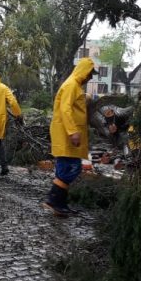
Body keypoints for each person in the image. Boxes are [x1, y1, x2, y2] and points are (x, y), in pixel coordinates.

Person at [42, 57, 97, 217]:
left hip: (66, 134)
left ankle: (60, 204)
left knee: (65, 168)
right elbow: (65, 109)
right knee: (72, 168)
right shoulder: (71, 85)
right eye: (90, 73)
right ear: (84, 71)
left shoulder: (74, 85)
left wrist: (85, 98)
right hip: (67, 135)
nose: (91, 77)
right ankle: (53, 200)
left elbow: (73, 103)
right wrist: (73, 131)